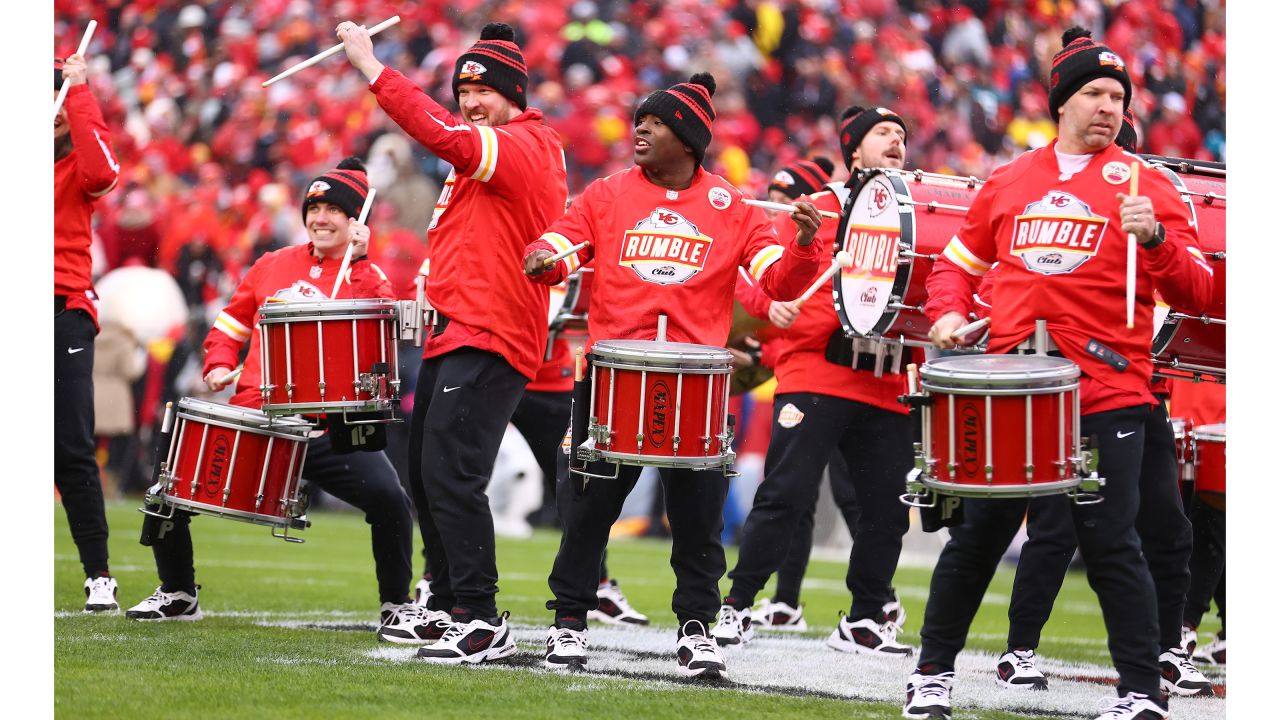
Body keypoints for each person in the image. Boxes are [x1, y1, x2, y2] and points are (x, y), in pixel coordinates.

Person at [906, 28, 1214, 720]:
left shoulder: (1150, 185)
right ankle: (930, 676)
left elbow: (1201, 292)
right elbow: (955, 265)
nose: (1109, 106)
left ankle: (1141, 694)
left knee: (1111, 541)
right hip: (1016, 389)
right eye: (1094, 93)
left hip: (1109, 390)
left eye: (1118, 96)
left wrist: (1159, 241)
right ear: (1062, 102)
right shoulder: (1011, 179)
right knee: (978, 535)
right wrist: (949, 315)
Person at [523, 72, 823, 677]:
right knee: (588, 506)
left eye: (654, 123)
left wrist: (804, 248)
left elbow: (776, 282)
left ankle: (695, 629)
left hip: (695, 381)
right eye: (640, 119)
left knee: (698, 515)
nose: (640, 129)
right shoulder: (606, 194)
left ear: (686, 139)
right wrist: (541, 258)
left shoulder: (731, 207)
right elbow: (557, 251)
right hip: (614, 373)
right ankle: (569, 624)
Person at [339, 21, 569, 664]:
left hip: (494, 328)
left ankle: (480, 614)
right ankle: (445, 602)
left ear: (514, 94)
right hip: (457, 326)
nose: (471, 101)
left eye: (483, 90)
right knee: (425, 468)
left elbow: (439, 133)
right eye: (464, 90)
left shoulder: (525, 143)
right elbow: (463, 238)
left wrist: (372, 68)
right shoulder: (492, 152)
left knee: (454, 470)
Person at [124, 159, 428, 646]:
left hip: (328, 426)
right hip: (259, 415)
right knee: (169, 482)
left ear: (356, 220)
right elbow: (230, 325)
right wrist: (218, 363)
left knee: (391, 502)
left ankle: (396, 607)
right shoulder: (272, 263)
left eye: (334, 210)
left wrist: (364, 264)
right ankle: (177, 590)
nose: (321, 218)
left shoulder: (365, 274)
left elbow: (383, 325)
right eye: (315, 207)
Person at [989, 108, 1212, 698]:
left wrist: (1158, 238)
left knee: (1167, 528)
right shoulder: (1060, 213)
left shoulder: (1154, 207)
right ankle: (1019, 649)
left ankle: (1165, 648)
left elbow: (1197, 288)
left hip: (1140, 390)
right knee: (1057, 528)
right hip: (1075, 387)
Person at [712, 107, 915, 656]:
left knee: (886, 509)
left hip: (886, 375)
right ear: (853, 151)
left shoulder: (917, 214)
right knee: (785, 493)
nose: (896, 142)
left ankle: (867, 616)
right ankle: (737, 607)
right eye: (883, 134)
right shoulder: (817, 210)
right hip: (818, 370)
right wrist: (771, 309)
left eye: (902, 135)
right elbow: (762, 282)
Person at [54, 53, 123, 613]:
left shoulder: (77, 161)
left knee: (71, 447)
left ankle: (98, 573)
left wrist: (78, 93)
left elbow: (104, 172)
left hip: (62, 307)